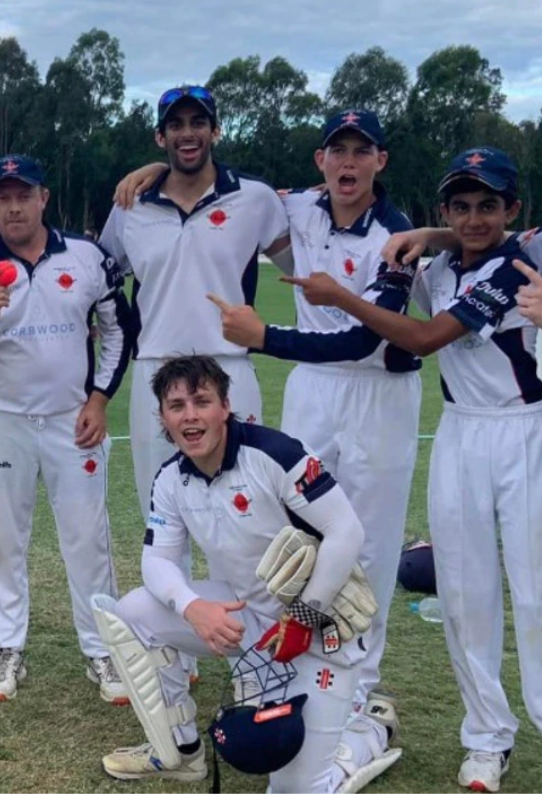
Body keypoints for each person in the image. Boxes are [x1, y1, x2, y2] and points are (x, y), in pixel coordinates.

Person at [287, 147, 542, 793]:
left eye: (487, 204)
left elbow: (425, 338)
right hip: (459, 433)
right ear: (444, 211)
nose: (473, 217)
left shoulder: (516, 266)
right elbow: (399, 330)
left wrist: (343, 298)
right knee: (464, 594)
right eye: (460, 206)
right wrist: (417, 244)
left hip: (523, 433)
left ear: (511, 209)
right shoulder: (436, 265)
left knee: (537, 593)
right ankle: (486, 737)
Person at [95, 354, 397, 792]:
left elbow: (346, 532)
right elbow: (157, 561)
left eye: (202, 401)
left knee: (292, 790)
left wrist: (305, 614)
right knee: (133, 612)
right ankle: (179, 749)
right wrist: (193, 607)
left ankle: (368, 733)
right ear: (162, 416)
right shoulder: (171, 479)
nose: (191, 416)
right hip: (255, 624)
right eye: (177, 406)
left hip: (322, 632)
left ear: (225, 407)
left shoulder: (274, 453)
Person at [206, 111, 419, 728]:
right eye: (337, 152)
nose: (347, 163)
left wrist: (264, 336)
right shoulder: (296, 208)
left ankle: (357, 684)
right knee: (298, 533)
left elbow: (361, 341)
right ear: (319, 160)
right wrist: (150, 169)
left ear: (381, 160)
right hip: (313, 391)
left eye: (361, 152)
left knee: (371, 542)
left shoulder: (396, 235)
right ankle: (291, 667)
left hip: (379, 391)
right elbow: (223, 180)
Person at [0, 154, 131, 703]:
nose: (14, 206)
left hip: (74, 421)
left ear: (44, 198)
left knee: (88, 538)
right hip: (4, 420)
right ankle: (8, 647)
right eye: (2, 196)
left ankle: (102, 650)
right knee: (4, 539)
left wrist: (100, 398)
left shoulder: (87, 257)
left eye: (24, 194)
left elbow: (118, 329)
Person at [99, 85, 291, 523]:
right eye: (176, 125)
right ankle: (172, 595)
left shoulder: (254, 198)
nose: (188, 133)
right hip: (155, 368)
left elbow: (306, 256)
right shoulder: (131, 204)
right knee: (163, 514)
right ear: (160, 137)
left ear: (215, 131)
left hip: (230, 369)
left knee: (250, 511)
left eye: (198, 122)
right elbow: (100, 273)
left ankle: (251, 596)